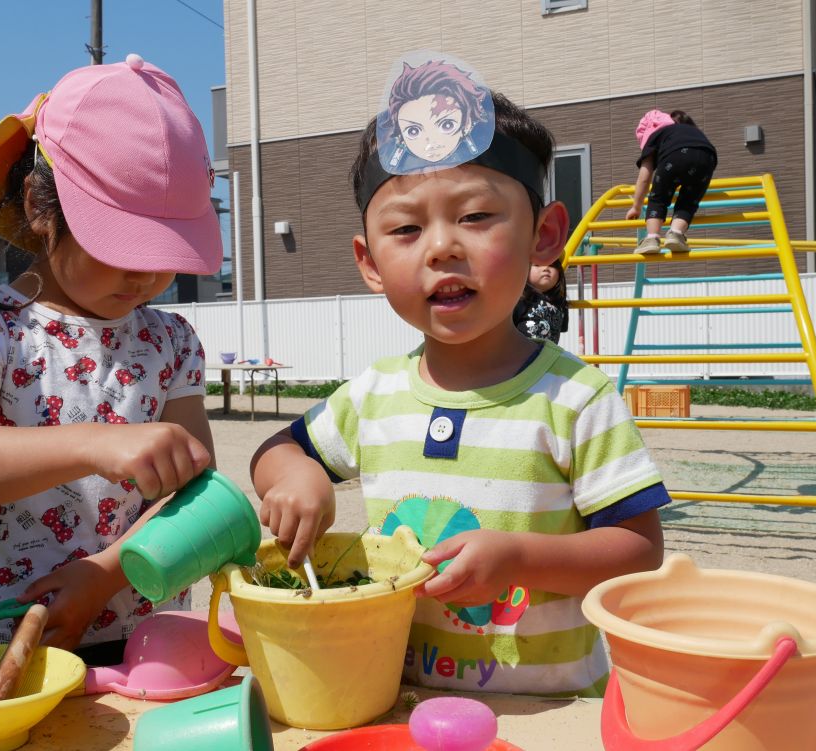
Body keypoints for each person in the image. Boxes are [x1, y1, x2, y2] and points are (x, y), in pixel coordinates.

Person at [250, 52, 668, 697]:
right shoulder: (373, 395)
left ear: (544, 236)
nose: (442, 246)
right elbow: (278, 450)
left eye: (475, 217)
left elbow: (639, 550)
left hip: (545, 706)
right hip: (398, 693)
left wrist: (518, 557)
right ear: (369, 262)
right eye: (407, 228)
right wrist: (298, 475)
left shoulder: (576, 399)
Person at [0, 54, 223, 662]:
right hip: (6, 640)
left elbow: (196, 489)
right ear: (38, 204)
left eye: (163, 249)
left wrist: (108, 573)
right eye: (121, 244)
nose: (144, 274)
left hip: (147, 638)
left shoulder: (171, 341)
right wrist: (94, 443)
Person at [626, 109, 717, 254]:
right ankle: (676, 233)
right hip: (708, 156)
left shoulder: (654, 136)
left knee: (658, 198)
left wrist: (636, 206)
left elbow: (645, 177)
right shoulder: (687, 130)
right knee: (689, 201)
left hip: (674, 156)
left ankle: (652, 238)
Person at [513, 258, 568, 344]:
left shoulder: (560, 303)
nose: (546, 268)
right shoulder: (519, 299)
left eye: (552, 265)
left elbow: (560, 329)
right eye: (537, 265)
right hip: (522, 354)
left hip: (548, 355)